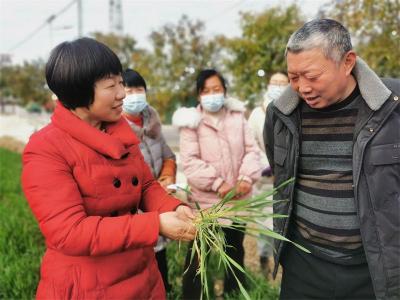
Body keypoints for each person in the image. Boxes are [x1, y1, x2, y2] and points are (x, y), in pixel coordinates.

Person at [21, 37, 196, 299]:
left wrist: (174, 208)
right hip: (88, 284)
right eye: (110, 85)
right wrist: (154, 225)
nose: (122, 93)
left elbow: (147, 185)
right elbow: (69, 232)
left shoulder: (121, 134)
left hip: (141, 274)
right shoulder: (46, 148)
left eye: (121, 83)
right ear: (79, 91)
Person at [264, 19, 400, 299]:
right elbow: (282, 178)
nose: (302, 88)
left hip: (375, 268)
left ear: (348, 62)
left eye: (312, 77)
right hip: (304, 264)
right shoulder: (280, 114)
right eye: (293, 77)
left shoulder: (392, 108)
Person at [173, 69, 262, 299]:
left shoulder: (237, 118)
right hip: (206, 204)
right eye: (206, 91)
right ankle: (195, 295)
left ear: (224, 91)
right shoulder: (191, 122)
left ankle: (233, 293)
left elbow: (252, 150)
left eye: (217, 89)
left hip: (238, 201)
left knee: (235, 252)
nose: (212, 95)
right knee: (198, 255)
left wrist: (245, 178)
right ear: (199, 95)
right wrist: (218, 184)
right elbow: (190, 163)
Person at [121, 68, 177, 293]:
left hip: (158, 201)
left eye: (139, 90)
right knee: (139, 263)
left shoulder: (152, 123)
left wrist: (167, 176)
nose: (135, 95)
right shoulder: (116, 130)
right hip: (135, 209)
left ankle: (164, 290)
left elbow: (168, 155)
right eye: (129, 90)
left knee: (160, 261)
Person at [247, 72, 289, 278]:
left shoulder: (292, 109)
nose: (278, 86)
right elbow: (251, 146)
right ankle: (264, 261)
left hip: (286, 180)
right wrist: (267, 166)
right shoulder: (256, 114)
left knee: (283, 222)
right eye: (275, 83)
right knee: (264, 224)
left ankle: (282, 263)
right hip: (264, 180)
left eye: (283, 83)